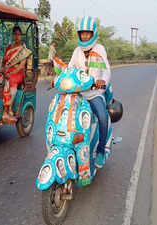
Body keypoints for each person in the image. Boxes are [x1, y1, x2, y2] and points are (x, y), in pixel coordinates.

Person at [67, 16, 111, 168]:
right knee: (65, 116)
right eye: (82, 33)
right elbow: (69, 69)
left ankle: (100, 150)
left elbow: (106, 71)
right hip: (78, 93)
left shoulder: (100, 49)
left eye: (88, 33)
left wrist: (102, 81)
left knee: (103, 117)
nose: (85, 36)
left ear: (93, 34)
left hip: (94, 94)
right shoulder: (77, 51)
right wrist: (59, 78)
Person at [1, 26, 32, 123]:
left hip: (18, 73)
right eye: (15, 34)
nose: (16, 36)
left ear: (21, 36)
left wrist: (9, 74)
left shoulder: (24, 50)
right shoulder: (9, 48)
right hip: (7, 71)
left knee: (11, 80)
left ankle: (8, 109)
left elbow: (22, 66)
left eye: (18, 34)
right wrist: (3, 71)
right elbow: (4, 61)